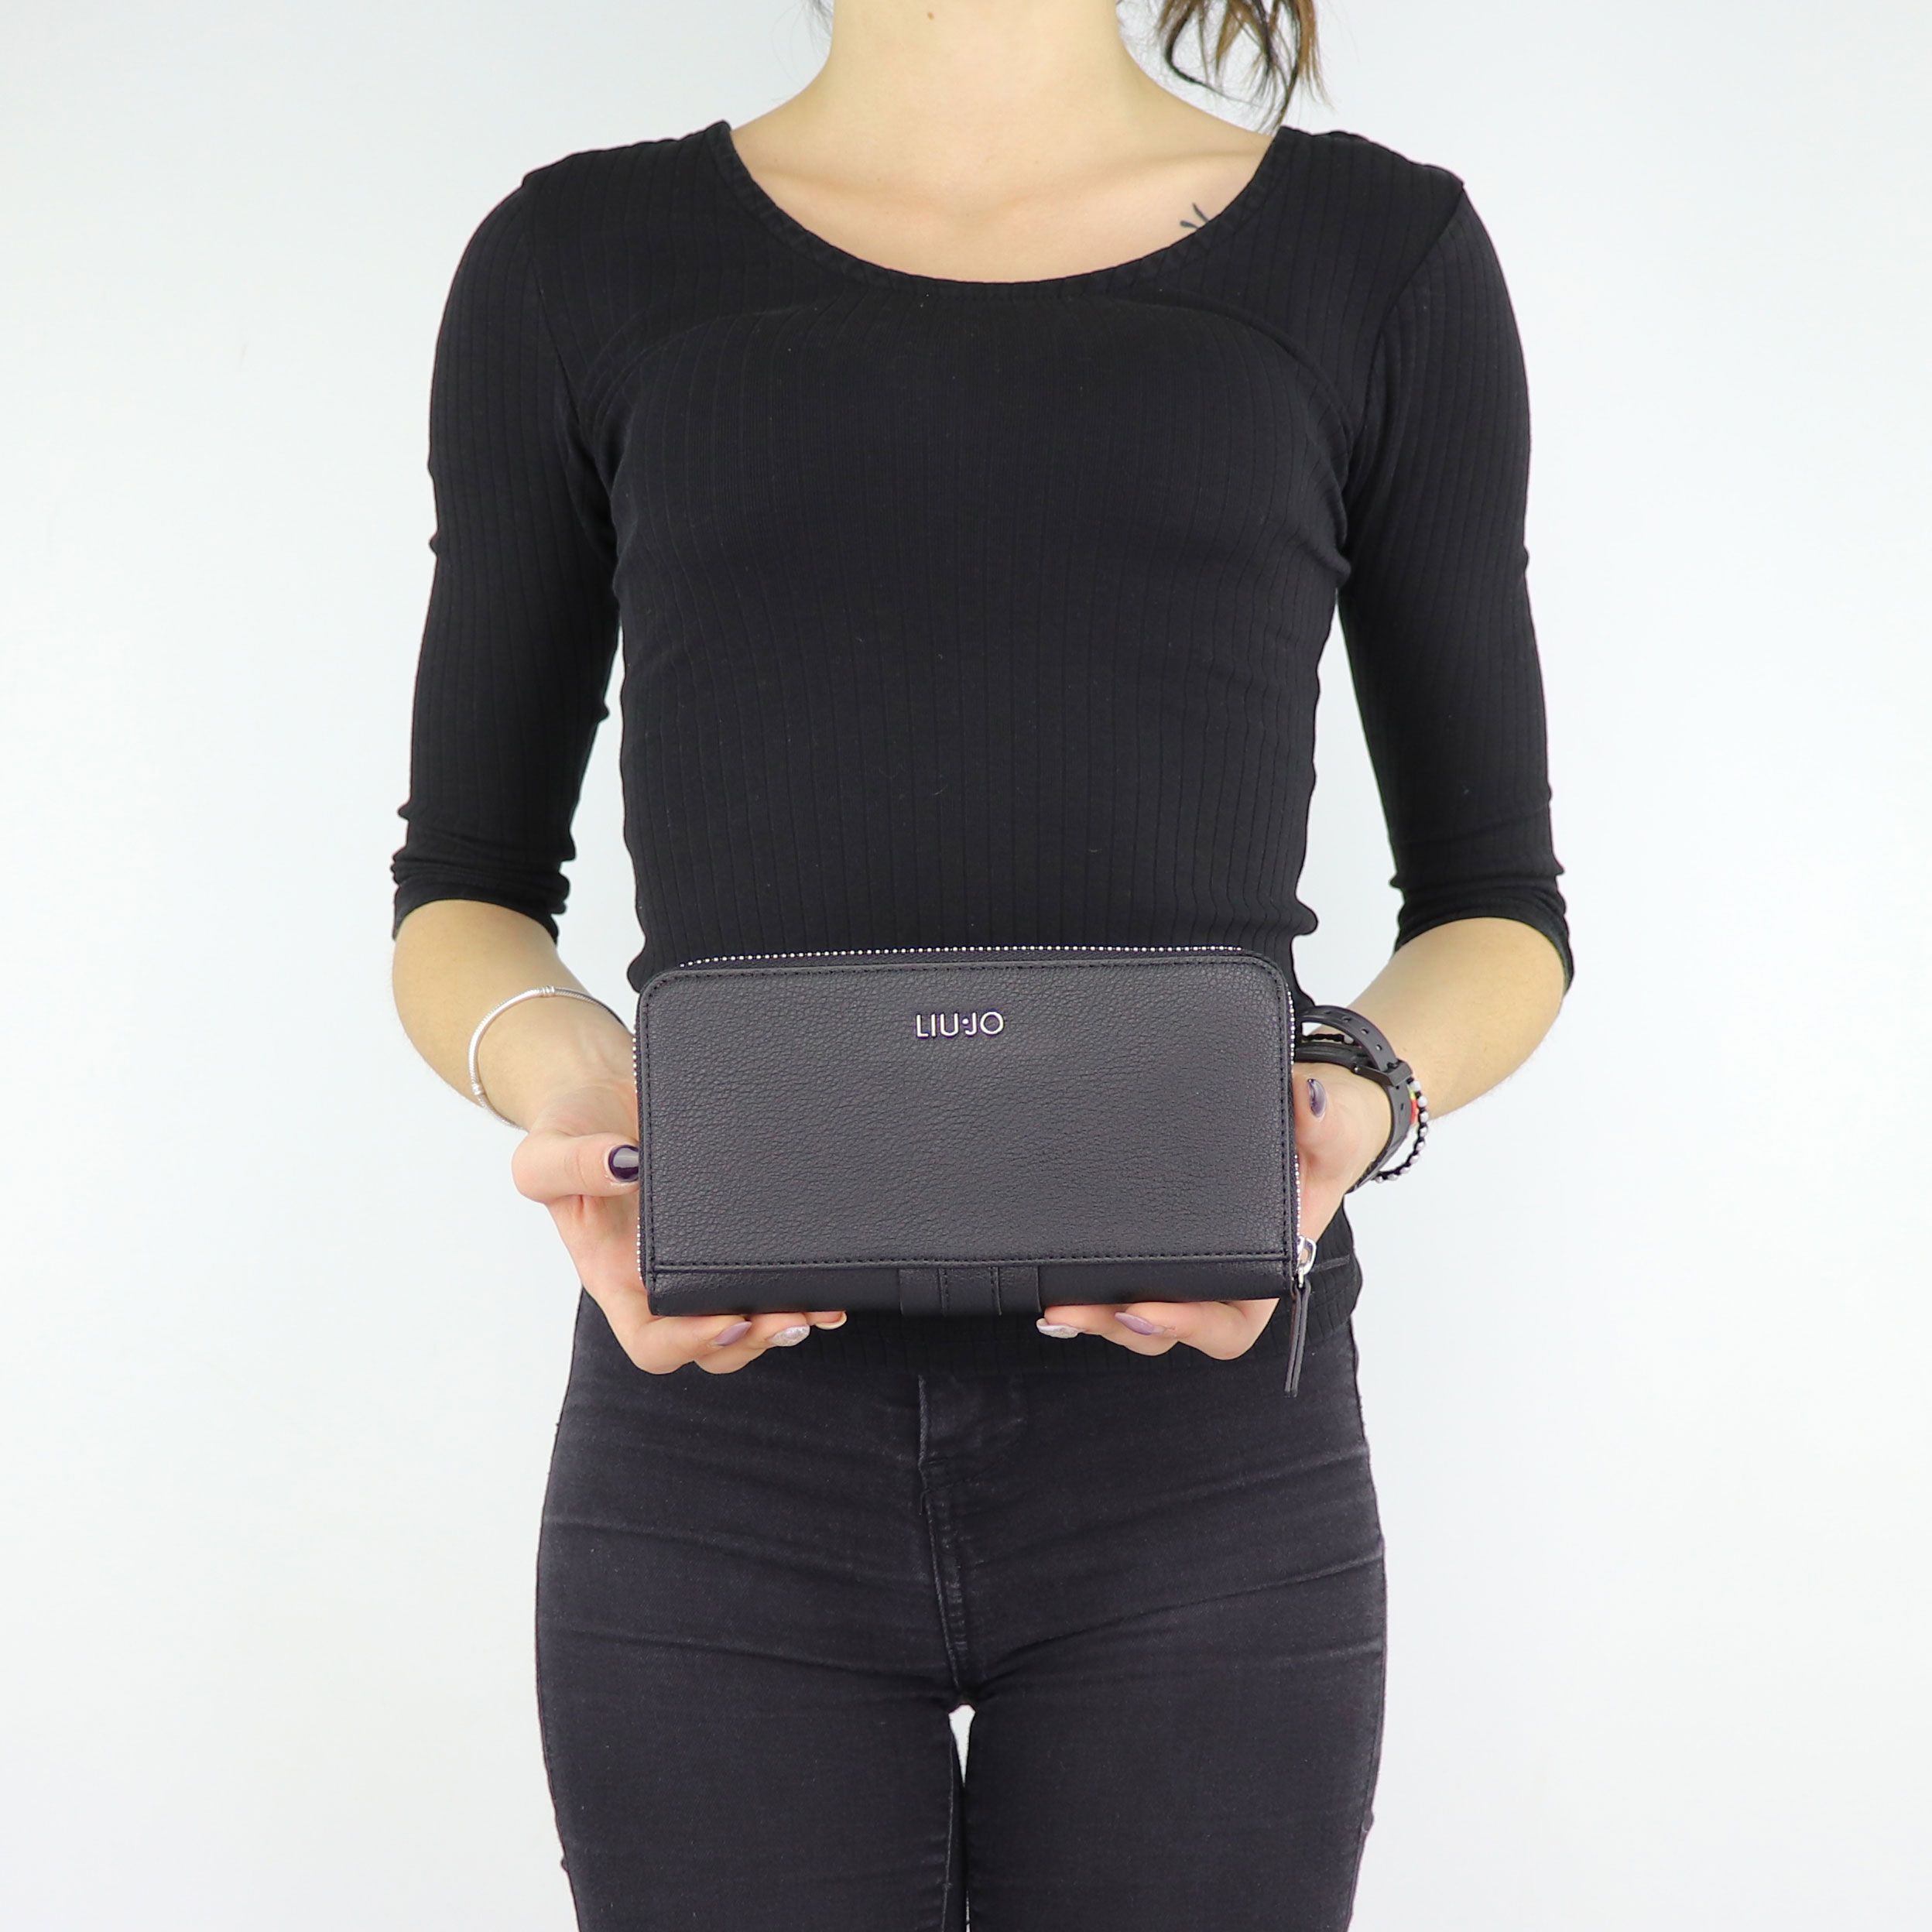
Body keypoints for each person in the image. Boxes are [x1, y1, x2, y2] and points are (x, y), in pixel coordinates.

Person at [388, 3, 1571, 1925]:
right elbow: (461, 894)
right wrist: (575, 1087)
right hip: (718, 1450)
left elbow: (1498, 910)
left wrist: (1348, 1101)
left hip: (1203, 1461)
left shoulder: (1379, 260)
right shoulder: (573, 265)